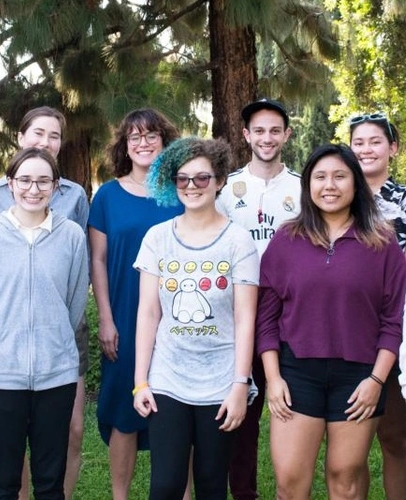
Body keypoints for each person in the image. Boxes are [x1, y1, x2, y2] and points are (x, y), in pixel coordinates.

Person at [257, 143, 406, 499]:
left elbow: (392, 321)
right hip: (296, 374)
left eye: (340, 176)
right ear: (307, 185)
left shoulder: (383, 243)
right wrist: (273, 378)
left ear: (355, 183)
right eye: (320, 177)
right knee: (290, 482)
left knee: (346, 481)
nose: (330, 185)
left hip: (359, 377)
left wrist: (376, 380)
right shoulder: (286, 240)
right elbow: (266, 319)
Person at [133, 137, 259, 499]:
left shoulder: (238, 241)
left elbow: (244, 317)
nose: (192, 187)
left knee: (210, 484)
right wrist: (141, 381)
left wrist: (240, 384)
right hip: (168, 378)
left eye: (202, 178)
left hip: (221, 381)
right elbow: (148, 312)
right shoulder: (158, 238)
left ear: (219, 180)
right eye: (183, 179)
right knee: (166, 485)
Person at [0, 147, 89, 499]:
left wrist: (53, 340)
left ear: (55, 186)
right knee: (4, 480)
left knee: (50, 481)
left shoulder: (70, 237)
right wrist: (1, 341)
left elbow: (75, 300)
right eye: (24, 180)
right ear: (10, 183)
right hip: (1, 375)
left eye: (43, 181)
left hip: (56, 375)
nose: (33, 189)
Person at [88, 108, 183, 500]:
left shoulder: (182, 189)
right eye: (134, 137)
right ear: (124, 146)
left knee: (181, 413)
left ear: (165, 140)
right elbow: (97, 260)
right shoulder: (108, 195)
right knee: (125, 413)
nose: (143, 143)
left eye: (151, 135)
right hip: (126, 315)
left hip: (180, 316)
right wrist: (106, 319)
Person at [216, 98, 300, 500]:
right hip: (238, 317)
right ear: (246, 135)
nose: (267, 138)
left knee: (291, 412)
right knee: (242, 419)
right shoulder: (226, 189)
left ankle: (290, 486)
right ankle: (243, 492)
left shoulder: (303, 188)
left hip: (291, 318)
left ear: (286, 134)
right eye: (259, 131)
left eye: (275, 130)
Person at [349, 112, 406, 500]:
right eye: (358, 142)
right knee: (350, 450)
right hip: (350, 335)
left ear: (393, 148)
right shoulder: (334, 198)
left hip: (399, 334)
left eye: (375, 141)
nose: (366, 149)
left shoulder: (404, 201)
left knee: (397, 438)